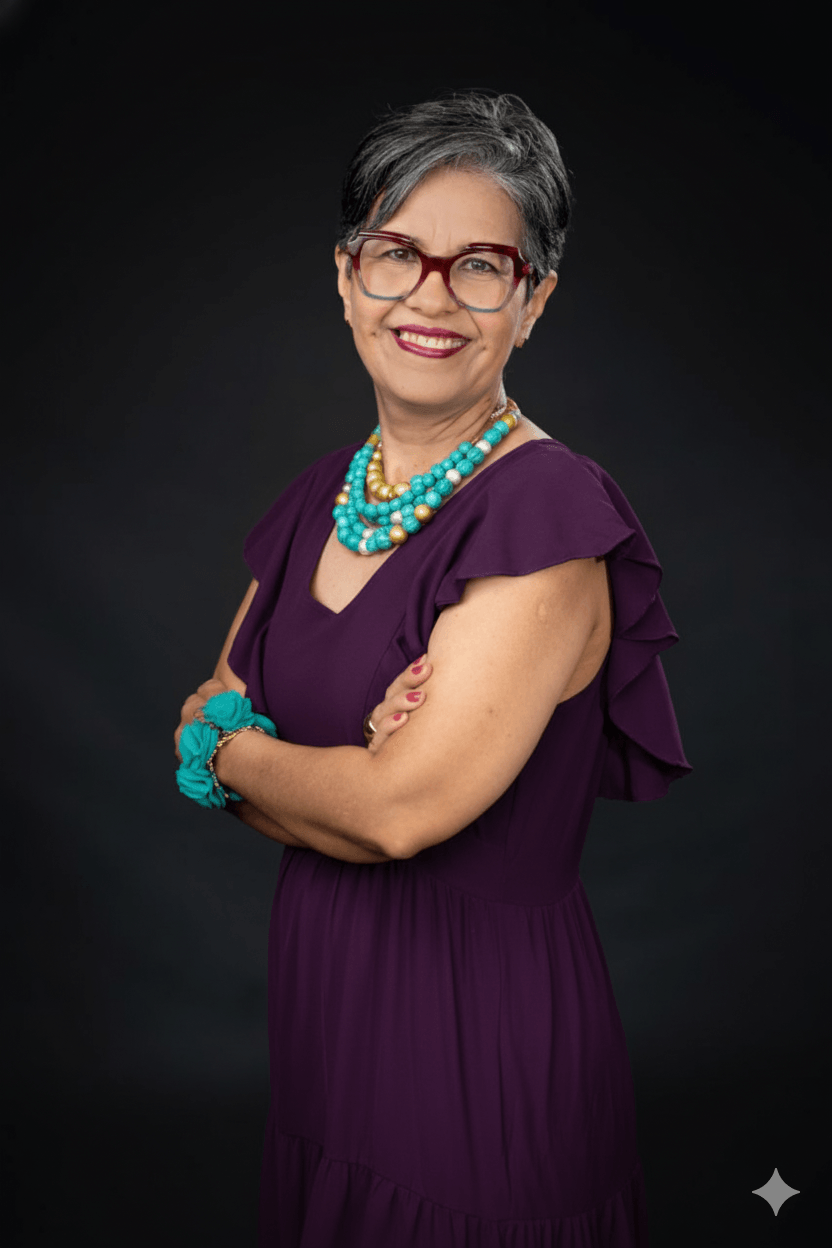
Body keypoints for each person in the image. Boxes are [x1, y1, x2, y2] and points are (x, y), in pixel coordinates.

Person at [174, 90, 691, 1247]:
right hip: (327, 1031)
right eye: (396, 252)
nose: (429, 297)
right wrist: (312, 773)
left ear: (532, 300)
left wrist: (231, 749)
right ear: (346, 275)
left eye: (481, 267)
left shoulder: (546, 514)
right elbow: (264, 759)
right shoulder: (320, 495)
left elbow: (393, 814)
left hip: (477, 1049)